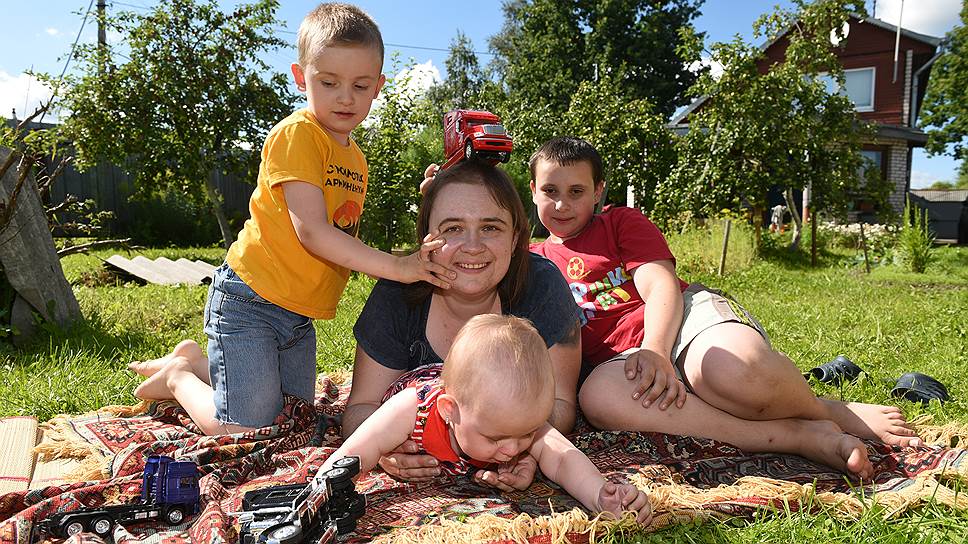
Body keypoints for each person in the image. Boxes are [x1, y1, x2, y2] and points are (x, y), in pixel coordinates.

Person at [129, 3, 454, 436]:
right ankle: (179, 377)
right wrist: (399, 266)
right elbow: (313, 232)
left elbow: (345, 238)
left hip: (297, 317)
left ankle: (198, 359)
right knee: (247, 428)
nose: (345, 97)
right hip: (251, 302)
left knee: (294, 419)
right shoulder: (298, 134)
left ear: (378, 87)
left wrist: (433, 201)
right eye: (328, 82)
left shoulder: (355, 156)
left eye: (360, 85)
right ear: (301, 77)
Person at [527, 137, 923, 479]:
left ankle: (827, 410)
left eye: (576, 191)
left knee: (732, 371)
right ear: (532, 191)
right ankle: (796, 436)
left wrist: (656, 350)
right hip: (620, 363)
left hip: (679, 322)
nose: (562, 204)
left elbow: (660, 287)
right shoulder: (530, 260)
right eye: (550, 191)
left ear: (598, 191)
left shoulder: (620, 222)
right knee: (598, 399)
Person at [343, 159, 583, 487]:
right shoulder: (396, 293)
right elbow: (360, 407)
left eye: (490, 227)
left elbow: (561, 405)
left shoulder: (541, 286)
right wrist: (384, 444)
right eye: (453, 228)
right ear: (426, 238)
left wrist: (520, 447)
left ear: (514, 240)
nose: (472, 247)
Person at [323, 314, 652, 525]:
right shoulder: (414, 409)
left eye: (525, 434)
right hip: (420, 383)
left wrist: (599, 495)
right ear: (450, 412)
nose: (512, 449)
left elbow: (564, 459)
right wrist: (322, 493)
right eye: (496, 438)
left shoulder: (514, 415)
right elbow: (355, 451)